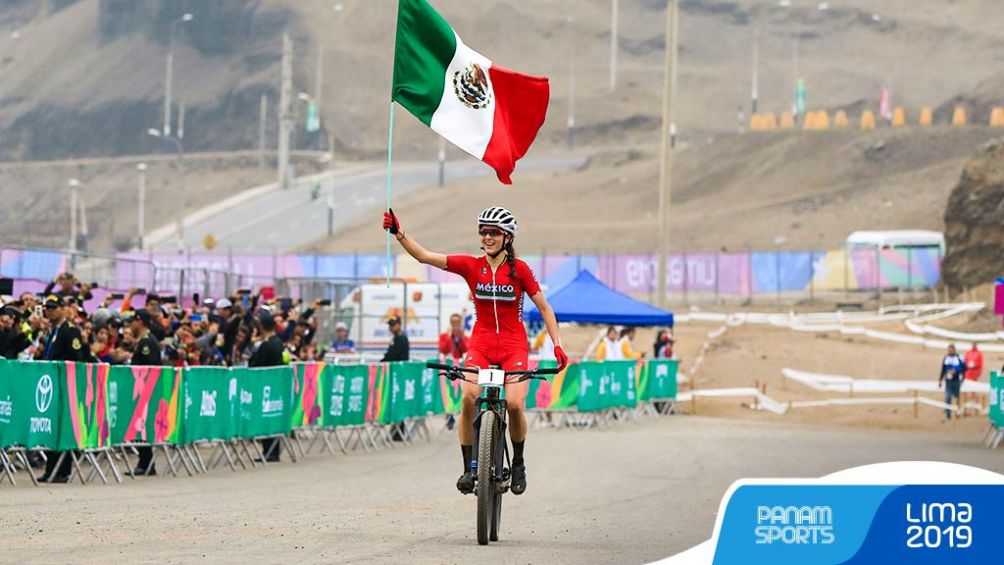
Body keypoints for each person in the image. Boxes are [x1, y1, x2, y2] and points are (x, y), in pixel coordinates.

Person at [384, 205, 566, 496]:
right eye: (483, 232)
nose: (487, 237)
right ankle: (469, 468)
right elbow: (424, 256)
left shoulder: (519, 270)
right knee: (469, 398)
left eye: (494, 232)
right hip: (480, 343)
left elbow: (544, 307)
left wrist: (557, 345)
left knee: (517, 404)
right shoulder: (471, 266)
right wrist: (399, 233)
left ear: (507, 237)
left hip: (513, 344)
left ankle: (518, 463)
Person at [38, 295, 89, 483]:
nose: (49, 311)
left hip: (64, 385)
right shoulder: (52, 331)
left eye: (53, 308)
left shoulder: (70, 331)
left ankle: (63, 471)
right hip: (50, 386)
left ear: (62, 308)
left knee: (63, 427)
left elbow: (77, 358)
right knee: (51, 426)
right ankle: (51, 469)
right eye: (47, 308)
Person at [249, 310, 286, 462]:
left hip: (265, 387)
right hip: (277, 386)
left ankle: (269, 451)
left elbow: (255, 365)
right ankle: (273, 451)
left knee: (266, 418)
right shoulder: (278, 342)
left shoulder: (267, 345)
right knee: (273, 417)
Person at [128, 309, 163, 475]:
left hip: (146, 390)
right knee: (140, 427)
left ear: (140, 321)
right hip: (141, 390)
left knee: (142, 426)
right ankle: (146, 462)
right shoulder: (143, 341)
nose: (130, 325)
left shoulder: (147, 342)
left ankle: (146, 463)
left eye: (133, 321)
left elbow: (148, 368)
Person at [938, 344, 965, 421]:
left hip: (956, 380)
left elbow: (963, 368)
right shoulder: (946, 358)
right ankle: (948, 414)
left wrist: (957, 372)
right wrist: (940, 380)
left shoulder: (959, 357)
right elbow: (943, 370)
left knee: (957, 397)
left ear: (954, 350)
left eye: (951, 350)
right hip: (948, 381)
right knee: (948, 397)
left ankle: (958, 412)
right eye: (949, 350)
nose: (950, 351)